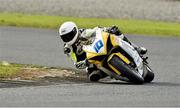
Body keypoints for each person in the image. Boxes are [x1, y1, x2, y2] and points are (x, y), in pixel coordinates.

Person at [59, 21, 147, 82]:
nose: (68, 39)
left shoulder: (84, 32)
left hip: (99, 48)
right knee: (92, 75)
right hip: (90, 60)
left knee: (116, 31)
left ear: (75, 30)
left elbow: (97, 30)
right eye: (65, 37)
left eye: (69, 35)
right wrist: (83, 63)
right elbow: (75, 62)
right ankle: (104, 73)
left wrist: (108, 29)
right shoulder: (68, 48)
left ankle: (135, 47)